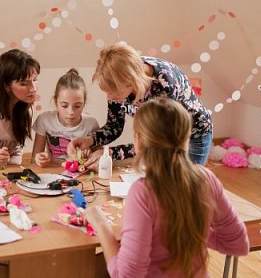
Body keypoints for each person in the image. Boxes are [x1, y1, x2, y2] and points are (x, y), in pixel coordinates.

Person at [85, 98, 248, 277]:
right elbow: (238, 244)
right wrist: (189, 229)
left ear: (138, 141)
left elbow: (126, 275)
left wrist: (101, 224)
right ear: (186, 138)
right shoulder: (206, 178)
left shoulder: (142, 192)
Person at [68, 42, 213, 167]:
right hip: (162, 139)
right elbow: (114, 127)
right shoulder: (119, 80)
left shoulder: (165, 85)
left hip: (195, 133)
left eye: (114, 92)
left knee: (186, 186)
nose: (110, 97)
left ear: (131, 81)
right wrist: (89, 140)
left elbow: (154, 142)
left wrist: (108, 153)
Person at [31, 68, 99, 167]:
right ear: (55, 102)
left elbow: (99, 156)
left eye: (77, 106)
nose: (71, 112)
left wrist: (89, 156)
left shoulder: (91, 124)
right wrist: (39, 159)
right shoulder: (44, 120)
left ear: (84, 102)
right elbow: (34, 158)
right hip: (53, 171)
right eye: (64, 106)